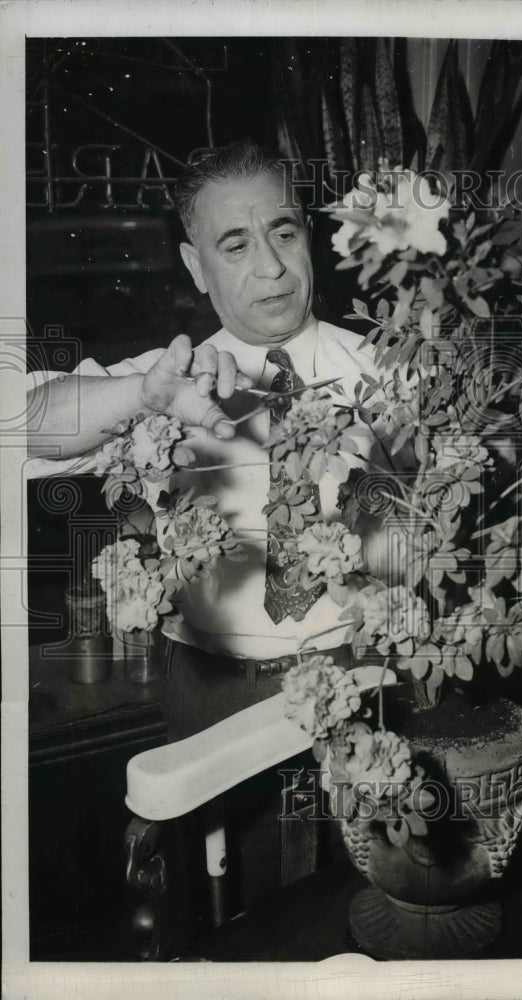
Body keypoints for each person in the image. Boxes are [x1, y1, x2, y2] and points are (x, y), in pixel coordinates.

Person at [26, 140, 385, 740]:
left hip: (363, 678)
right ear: (196, 267)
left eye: (284, 233)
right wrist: (144, 395)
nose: (270, 267)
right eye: (236, 245)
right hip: (209, 694)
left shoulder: (388, 370)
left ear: (309, 238)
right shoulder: (166, 380)